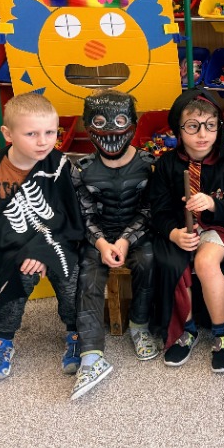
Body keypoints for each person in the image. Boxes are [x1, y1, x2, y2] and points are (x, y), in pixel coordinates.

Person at [0, 92, 83, 382]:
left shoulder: (61, 166)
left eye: (50, 132)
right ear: (8, 134)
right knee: (12, 273)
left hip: (57, 238)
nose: (43, 141)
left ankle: (76, 331)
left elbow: (71, 215)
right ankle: (2, 338)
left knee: (69, 271)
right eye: (31, 134)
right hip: (10, 244)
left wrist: (42, 250)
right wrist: (26, 252)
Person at [149, 89, 224, 372]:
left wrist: (212, 203)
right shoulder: (165, 164)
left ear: (219, 127)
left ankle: (222, 333)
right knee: (175, 263)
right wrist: (173, 234)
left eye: (210, 125)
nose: (202, 134)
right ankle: (187, 328)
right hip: (178, 229)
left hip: (219, 227)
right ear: (179, 128)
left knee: (205, 262)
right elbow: (158, 211)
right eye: (193, 126)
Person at [69, 90, 157, 400]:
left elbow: (149, 210)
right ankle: (91, 355)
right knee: (87, 276)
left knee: (149, 261)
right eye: (99, 122)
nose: (110, 131)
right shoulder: (81, 169)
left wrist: (124, 239)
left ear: (133, 123)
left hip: (137, 233)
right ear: (86, 125)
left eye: (120, 121)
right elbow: (83, 214)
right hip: (97, 236)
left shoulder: (148, 164)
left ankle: (139, 324)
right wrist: (102, 243)